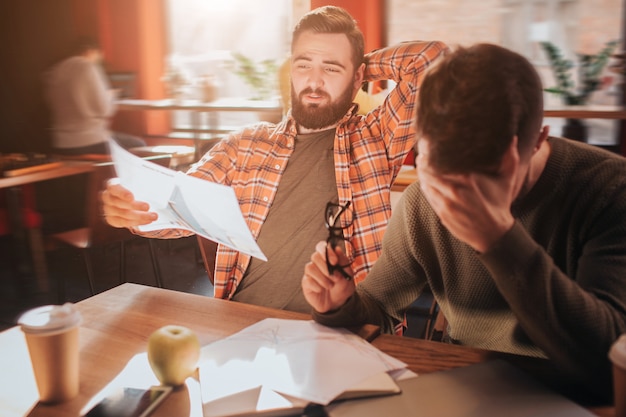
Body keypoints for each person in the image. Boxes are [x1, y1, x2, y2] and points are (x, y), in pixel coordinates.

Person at [302, 43, 626, 400]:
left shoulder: (610, 190)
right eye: (444, 171)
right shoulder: (424, 200)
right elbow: (378, 306)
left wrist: (499, 240)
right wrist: (341, 306)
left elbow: (607, 361)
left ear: (537, 142)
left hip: (574, 395)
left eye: (488, 174)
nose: (460, 193)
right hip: (471, 385)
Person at [101, 6, 447, 312]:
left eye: (331, 68)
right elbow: (176, 209)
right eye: (304, 64)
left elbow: (433, 60)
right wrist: (134, 208)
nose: (313, 81)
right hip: (244, 324)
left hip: (345, 326)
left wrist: (363, 63)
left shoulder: (376, 136)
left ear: (357, 78)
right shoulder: (244, 144)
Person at [45, 37, 145, 155]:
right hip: (90, 141)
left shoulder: (56, 69)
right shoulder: (87, 66)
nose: (99, 59)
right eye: (99, 54)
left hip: (61, 143)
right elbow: (105, 110)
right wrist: (110, 95)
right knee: (139, 145)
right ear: (90, 51)